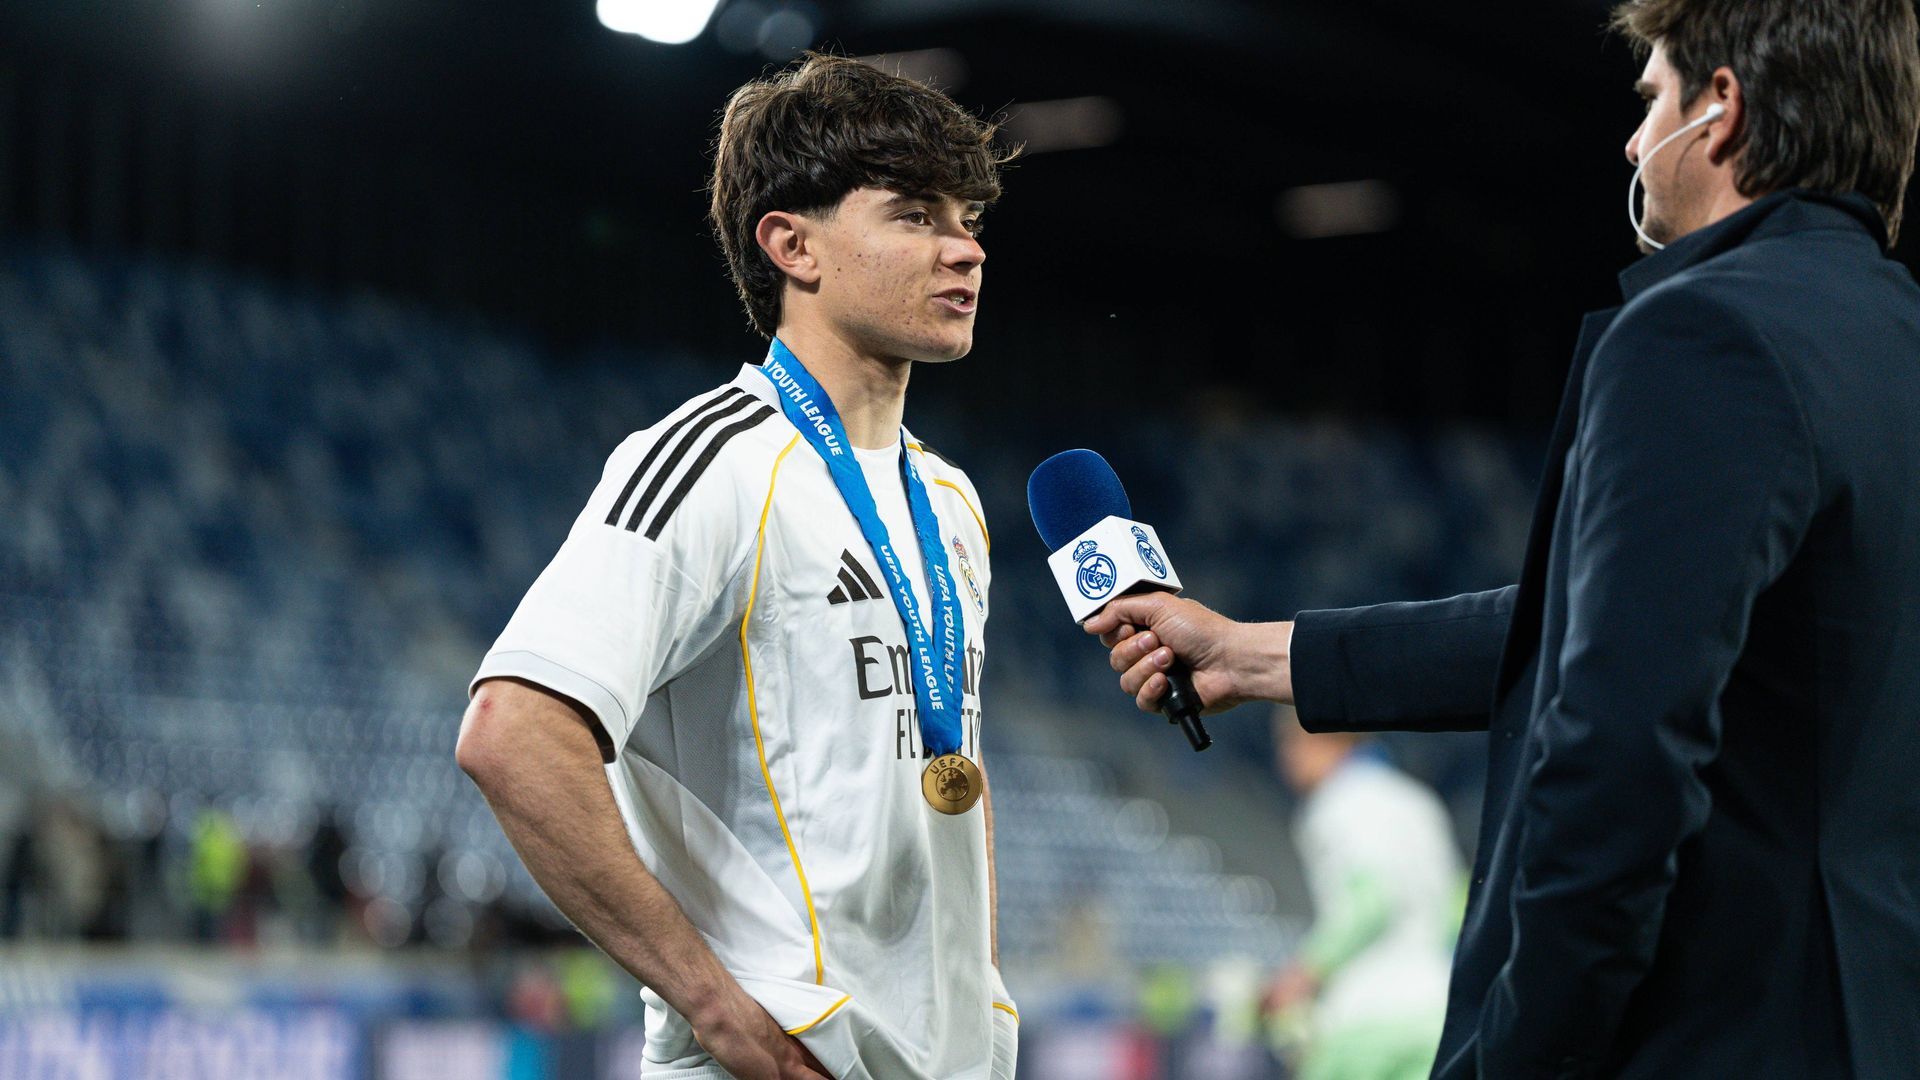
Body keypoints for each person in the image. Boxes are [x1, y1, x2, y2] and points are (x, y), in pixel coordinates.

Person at [1088, 0, 1920, 1075]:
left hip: (1709, 1037)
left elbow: (1618, 751)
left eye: (1652, 96)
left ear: (1721, 109)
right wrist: (1252, 654)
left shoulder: (1702, 332)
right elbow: (1601, 620)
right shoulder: (1893, 339)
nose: (1633, 139)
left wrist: (1523, 1051)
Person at [457, 54, 1017, 1080]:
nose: (964, 250)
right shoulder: (712, 462)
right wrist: (718, 1012)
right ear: (790, 244)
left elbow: (953, 769)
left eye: (968, 219)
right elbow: (514, 734)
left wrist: (978, 1000)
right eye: (915, 215)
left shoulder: (952, 503)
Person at [1265, 708, 1461, 1080]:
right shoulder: (1419, 800)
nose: (1283, 759)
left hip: (1367, 1016)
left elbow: (1369, 904)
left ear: (1317, 738)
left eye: (1287, 744)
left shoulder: (1338, 803)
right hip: (1436, 1011)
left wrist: (1302, 974)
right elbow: (1456, 907)